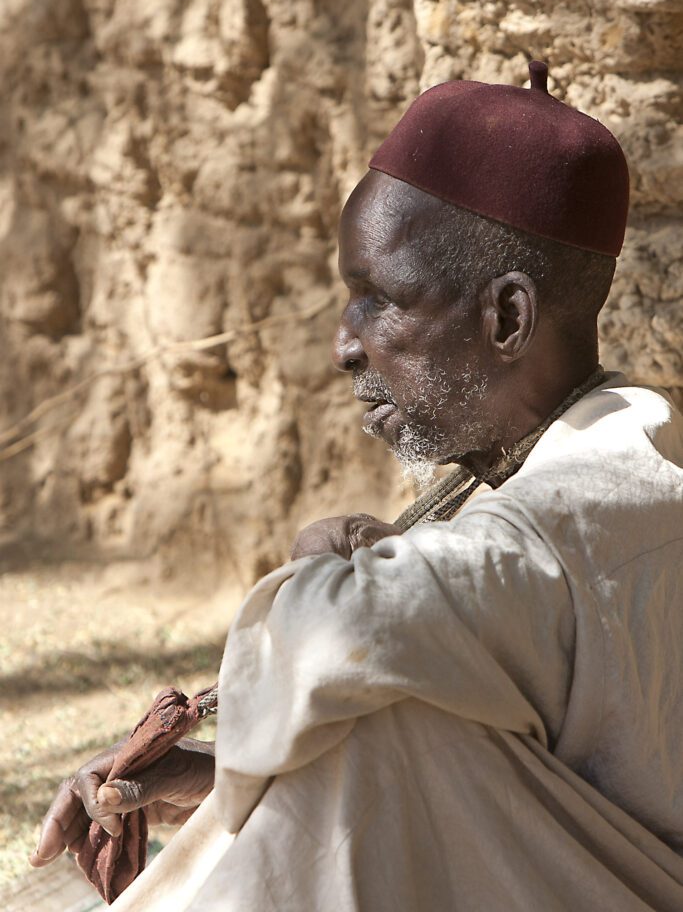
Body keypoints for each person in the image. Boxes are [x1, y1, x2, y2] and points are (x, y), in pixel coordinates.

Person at [30, 62, 683, 911]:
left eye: (378, 299)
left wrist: (314, 568)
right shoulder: (605, 443)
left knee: (377, 726)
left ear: (507, 318)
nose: (344, 345)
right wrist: (226, 785)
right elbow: (498, 794)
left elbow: (337, 638)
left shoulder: (594, 500)